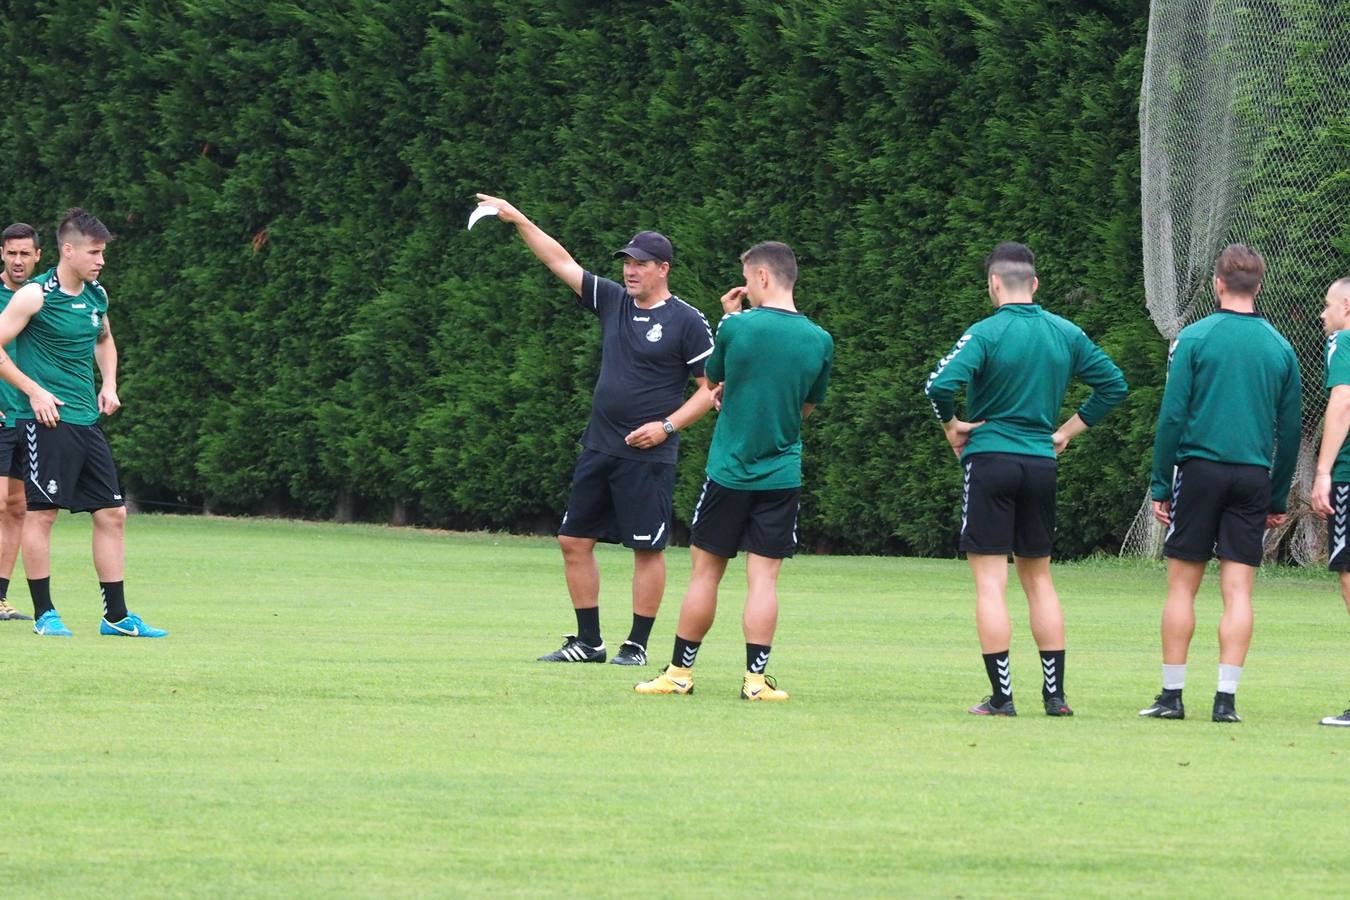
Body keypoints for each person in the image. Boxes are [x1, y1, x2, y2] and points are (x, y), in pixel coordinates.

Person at [474, 193, 715, 666]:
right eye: (627, 262)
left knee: (646, 549)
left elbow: (710, 390)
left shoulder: (687, 321)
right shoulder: (612, 300)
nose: (630, 270)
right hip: (600, 444)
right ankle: (590, 642)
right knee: (573, 540)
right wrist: (520, 219)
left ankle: (637, 646)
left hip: (649, 454)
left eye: (641, 263)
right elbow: (559, 260)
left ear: (663, 268)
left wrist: (665, 427)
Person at [924, 241, 1127, 717]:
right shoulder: (1066, 332)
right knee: (1039, 580)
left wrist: (952, 425)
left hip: (991, 459)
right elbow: (1113, 384)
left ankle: (1002, 697)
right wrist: (1066, 433)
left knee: (991, 583)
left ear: (994, 284)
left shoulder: (985, 333)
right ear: (1034, 283)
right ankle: (1054, 697)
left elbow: (938, 385)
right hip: (1040, 463)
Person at [635, 241, 831, 701]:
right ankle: (756, 681)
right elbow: (805, 408)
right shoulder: (820, 340)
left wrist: (729, 318)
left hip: (728, 472)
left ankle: (679, 674)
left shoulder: (738, 328)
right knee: (764, 581)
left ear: (762, 277)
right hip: (781, 476)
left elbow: (716, 381)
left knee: (706, 575)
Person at [1141, 243, 1299, 723]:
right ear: (1260, 286)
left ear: (1217, 284)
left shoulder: (1194, 338)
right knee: (1239, 591)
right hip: (1252, 477)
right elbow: (1289, 431)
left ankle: (1172, 696)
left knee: (1182, 587)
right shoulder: (1280, 347)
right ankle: (1225, 700)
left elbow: (1172, 417)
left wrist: (1160, 485)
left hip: (1200, 470)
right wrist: (1276, 494)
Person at [0, 208, 166, 638]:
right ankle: (45, 615)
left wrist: (109, 382)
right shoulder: (35, 296)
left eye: (103, 252)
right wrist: (34, 391)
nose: (101, 260)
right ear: (68, 250)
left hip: (86, 423)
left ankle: (116, 616)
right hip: (45, 422)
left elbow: (105, 340)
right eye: (94, 252)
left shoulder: (97, 296)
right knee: (42, 515)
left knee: (112, 513)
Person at [1308, 275, 1350, 728]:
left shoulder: (1344, 342)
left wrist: (1323, 472)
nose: (1324, 314)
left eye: (1328, 305)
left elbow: (1343, 402)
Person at [0, 223, 40, 621]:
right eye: (11, 253)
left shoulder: (44, 298)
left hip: (24, 418)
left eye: (25, 254)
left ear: (38, 256)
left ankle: (0, 598)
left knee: (16, 508)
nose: (17, 261)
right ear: (1, 253)